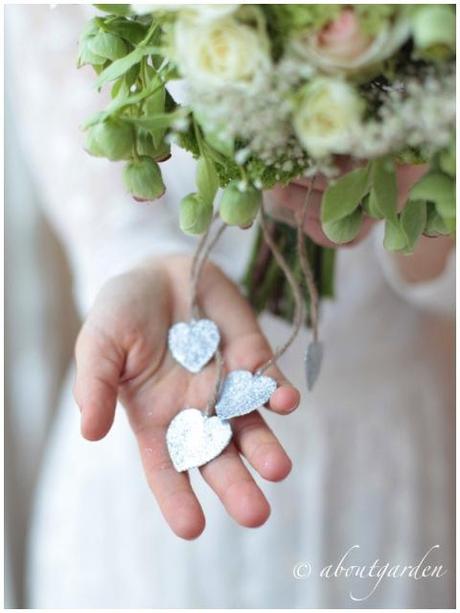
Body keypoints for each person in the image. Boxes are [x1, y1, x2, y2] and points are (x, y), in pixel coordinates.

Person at [7, 5, 455, 609]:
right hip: (151, 414)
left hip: (386, 449)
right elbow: (107, 203)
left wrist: (414, 187)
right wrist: (145, 269)